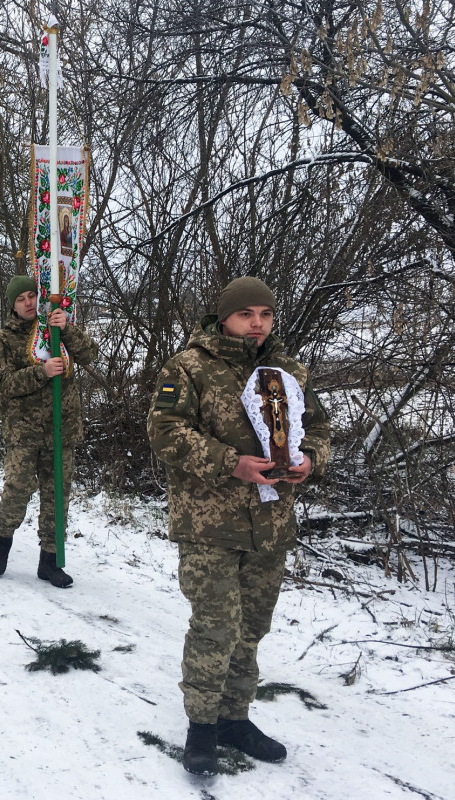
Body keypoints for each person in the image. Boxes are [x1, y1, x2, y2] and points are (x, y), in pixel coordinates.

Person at [147, 276, 331, 776]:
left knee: (251, 627)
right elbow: (164, 431)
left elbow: (318, 426)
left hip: (270, 524)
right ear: (224, 316)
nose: (257, 323)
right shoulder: (189, 367)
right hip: (210, 524)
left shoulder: (287, 370)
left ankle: (235, 717)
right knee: (215, 625)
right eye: (247, 313)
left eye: (266, 314)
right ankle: (202, 728)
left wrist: (310, 458)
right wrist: (231, 462)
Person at [0, 275, 98, 588]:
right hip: (24, 431)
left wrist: (68, 329)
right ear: (12, 304)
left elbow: (90, 354)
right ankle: (2, 540)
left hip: (62, 428)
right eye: (20, 298)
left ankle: (50, 560)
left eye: (32, 296)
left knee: (57, 497)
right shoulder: (3, 341)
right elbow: (4, 385)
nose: (28, 302)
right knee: (18, 488)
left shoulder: (56, 328)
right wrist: (42, 372)